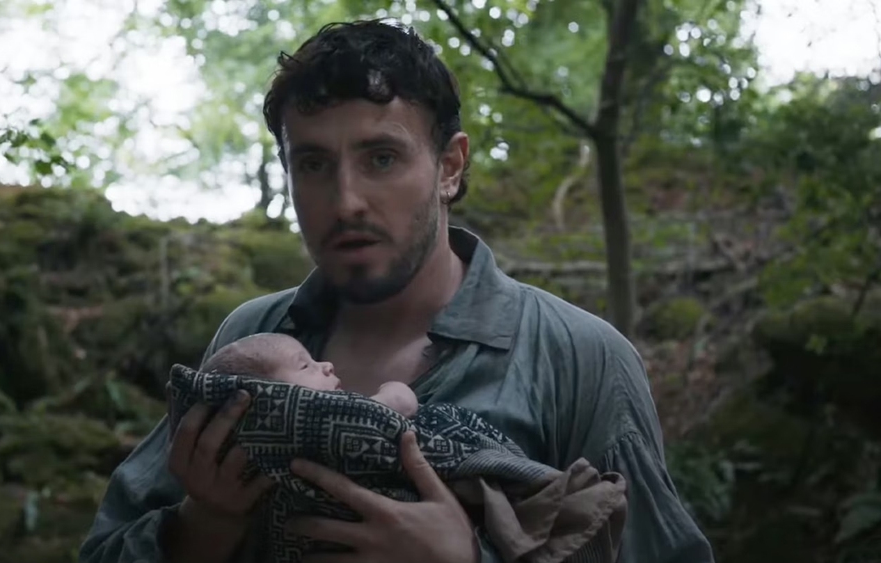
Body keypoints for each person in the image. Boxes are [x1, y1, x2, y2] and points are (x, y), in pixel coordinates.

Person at [78, 18, 715, 563]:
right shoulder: (252, 338)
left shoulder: (578, 357)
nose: (346, 201)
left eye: (381, 158)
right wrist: (202, 527)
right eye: (313, 164)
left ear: (449, 168)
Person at [196, 332, 419, 417]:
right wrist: (389, 396)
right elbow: (402, 403)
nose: (328, 365)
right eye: (304, 366)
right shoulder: (315, 430)